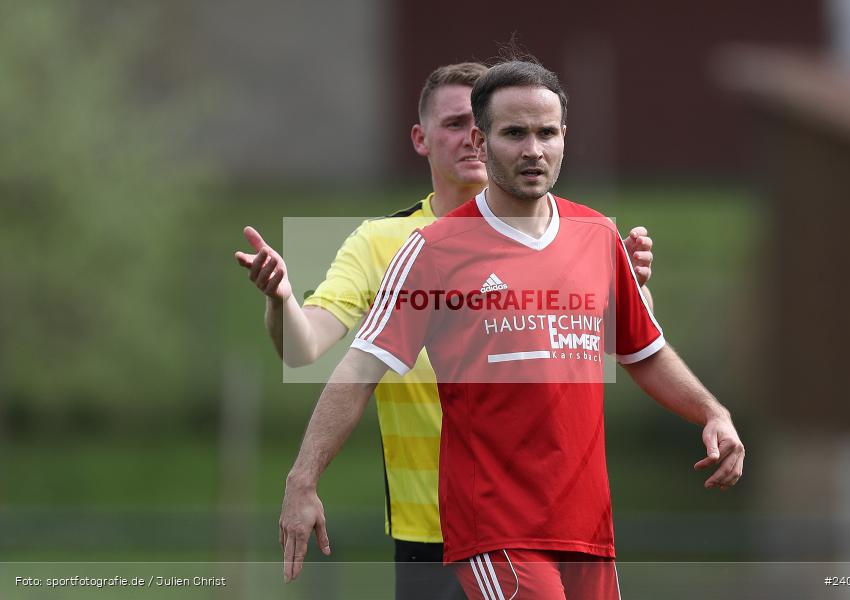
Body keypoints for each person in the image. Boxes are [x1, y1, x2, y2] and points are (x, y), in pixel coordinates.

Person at [238, 62, 657, 598]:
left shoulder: (565, 236)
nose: (470, 139)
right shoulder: (382, 242)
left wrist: (631, 289)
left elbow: (617, 347)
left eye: (481, 125)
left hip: (538, 522)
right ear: (421, 138)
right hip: (428, 535)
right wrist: (281, 301)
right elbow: (304, 349)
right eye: (455, 124)